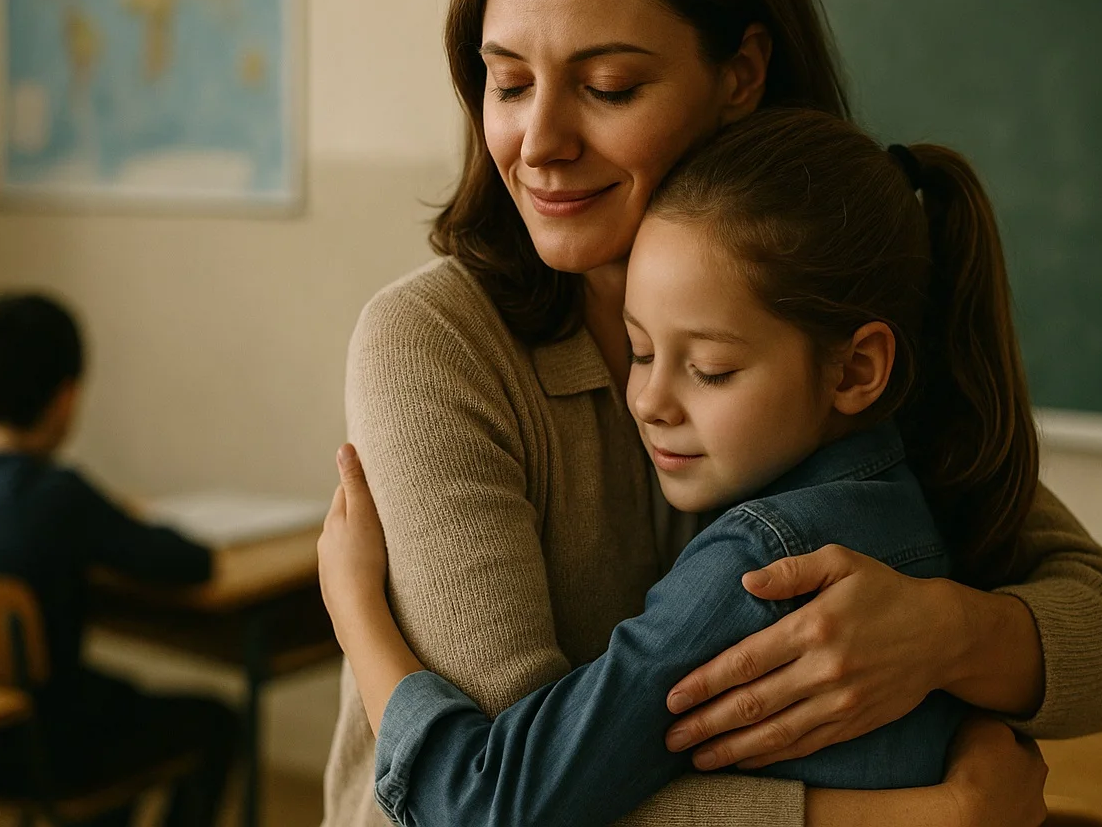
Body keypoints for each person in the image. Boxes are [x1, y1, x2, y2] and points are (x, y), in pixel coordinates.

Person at [321, 0, 1102, 827]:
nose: (537, 141)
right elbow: (499, 800)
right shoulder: (435, 344)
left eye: (607, 87)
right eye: (507, 82)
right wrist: (912, 819)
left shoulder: (824, 307)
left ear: (740, 74)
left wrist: (943, 634)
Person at [319, 109, 1053, 825]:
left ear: (857, 369)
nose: (648, 401)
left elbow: (488, 808)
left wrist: (359, 617)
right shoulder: (911, 500)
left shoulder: (760, 566)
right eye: (639, 351)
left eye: (710, 370)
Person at [0, 293, 238, 827]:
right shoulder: (61, 496)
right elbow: (189, 564)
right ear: (66, 399)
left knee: (115, 694)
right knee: (219, 722)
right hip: (50, 755)